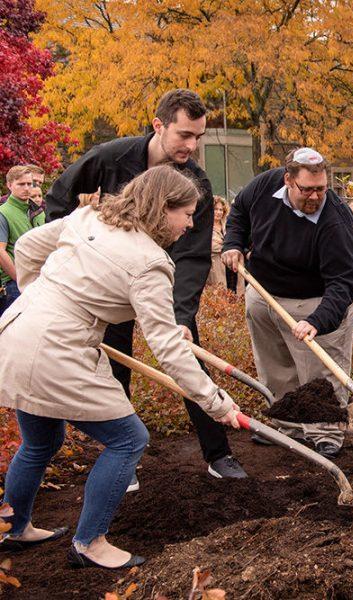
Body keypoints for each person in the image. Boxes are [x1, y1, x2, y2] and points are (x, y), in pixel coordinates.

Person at [0, 167, 241, 569]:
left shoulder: (89, 216)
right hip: (57, 351)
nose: (192, 223)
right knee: (128, 439)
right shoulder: (150, 262)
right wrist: (216, 403)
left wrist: (38, 295)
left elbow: (26, 248)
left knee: (41, 442)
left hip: (16, 331)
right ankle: (90, 543)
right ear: (162, 209)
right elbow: (166, 348)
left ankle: (15, 527)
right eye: (186, 213)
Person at [44, 89, 245, 482]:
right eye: (184, 135)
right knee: (115, 368)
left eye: (198, 137)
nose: (191, 145)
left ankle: (218, 453)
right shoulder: (109, 158)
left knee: (191, 357)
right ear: (159, 125)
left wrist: (182, 314)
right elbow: (59, 199)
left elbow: (191, 256)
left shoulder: (196, 183)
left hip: (158, 283)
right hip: (110, 285)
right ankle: (123, 460)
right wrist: (72, 262)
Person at [222, 148, 353, 459]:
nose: (315, 197)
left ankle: (324, 430)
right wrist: (234, 243)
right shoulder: (264, 186)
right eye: (307, 190)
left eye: (321, 189)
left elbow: (342, 285)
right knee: (274, 364)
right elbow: (239, 213)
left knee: (320, 370)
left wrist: (317, 320)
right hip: (265, 290)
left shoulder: (336, 222)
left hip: (320, 297)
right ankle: (287, 425)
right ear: (287, 179)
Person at [1, 166, 45, 317]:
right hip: (13, 284)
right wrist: (20, 280)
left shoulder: (38, 211)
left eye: (29, 183)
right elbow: (0, 252)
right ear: (9, 185)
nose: (27, 188)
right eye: (21, 184)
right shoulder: (3, 213)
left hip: (38, 281)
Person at [206, 195, 229, 287]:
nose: (219, 212)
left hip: (230, 267)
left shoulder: (227, 225)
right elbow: (211, 246)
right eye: (216, 209)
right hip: (215, 267)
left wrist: (221, 243)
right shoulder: (206, 227)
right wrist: (228, 245)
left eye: (221, 210)